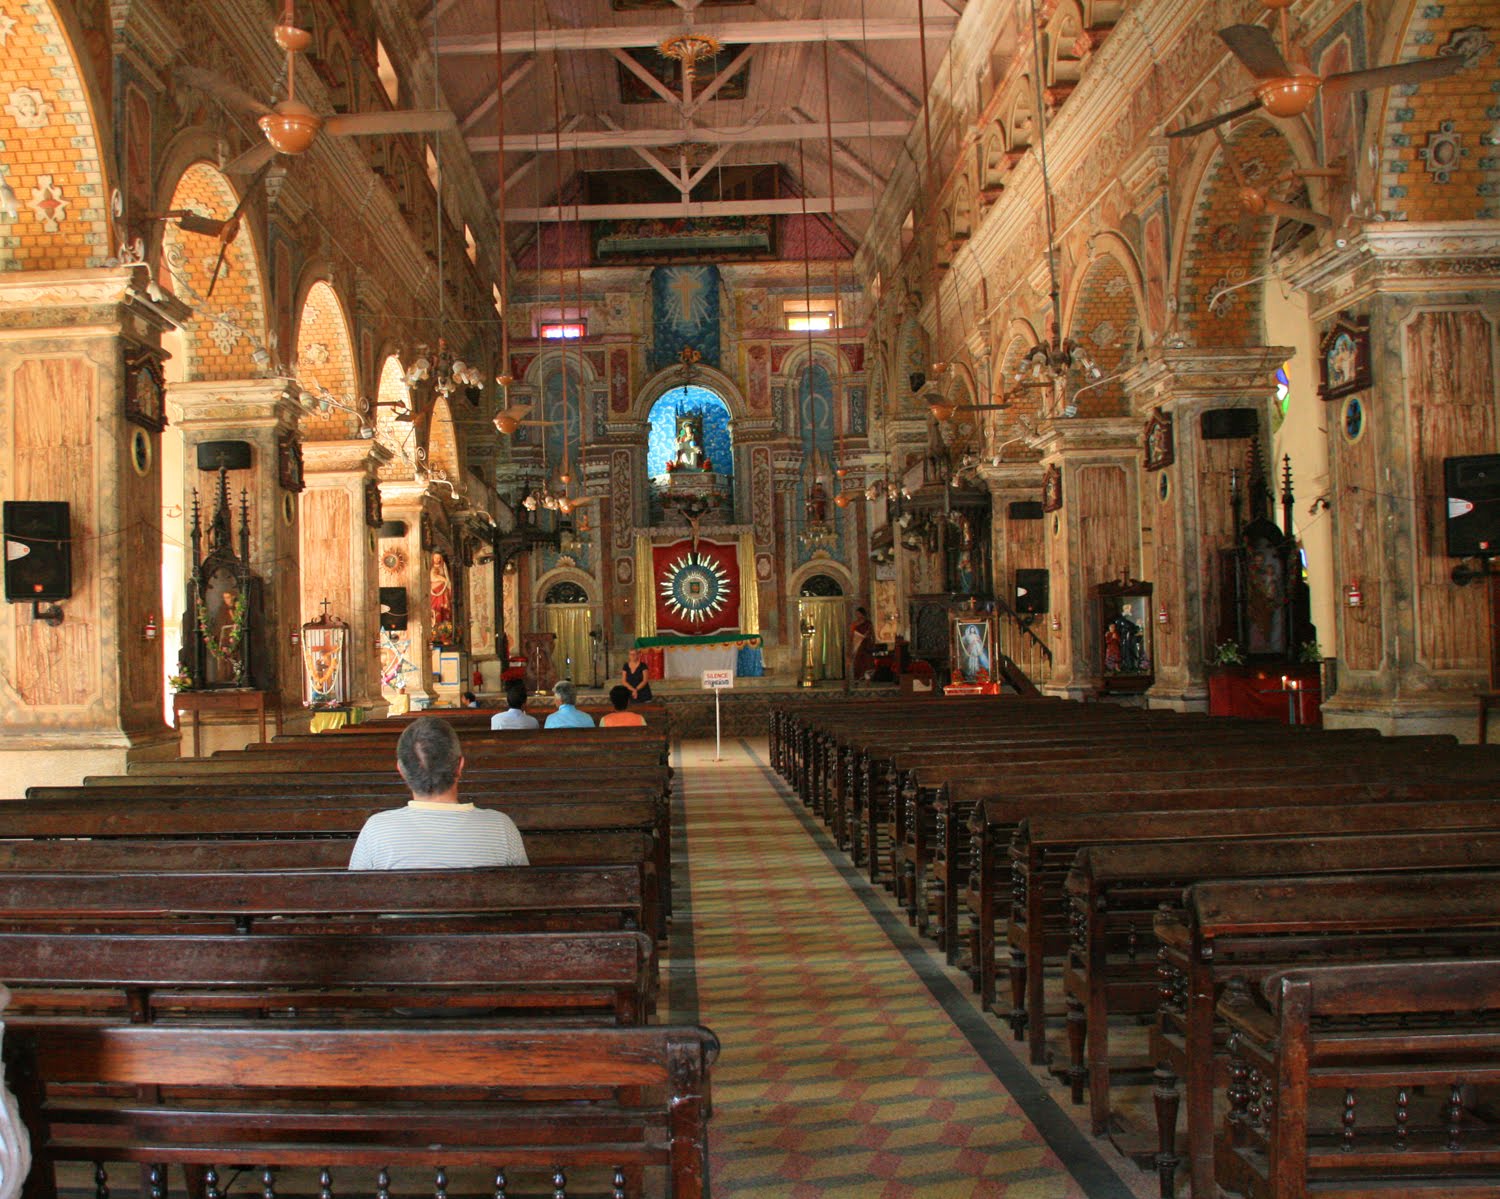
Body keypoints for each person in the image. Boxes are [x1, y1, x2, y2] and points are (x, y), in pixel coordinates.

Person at [348, 716, 527, 870]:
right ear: (460, 765)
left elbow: (353, 896)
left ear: (401, 771)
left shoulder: (376, 830)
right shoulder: (501, 828)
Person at [849, 606, 875, 681]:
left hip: (866, 644)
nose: (857, 615)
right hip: (857, 644)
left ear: (862, 614)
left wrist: (871, 640)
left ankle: (867, 678)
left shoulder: (868, 623)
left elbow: (872, 633)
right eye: (856, 614)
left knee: (867, 661)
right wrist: (851, 643)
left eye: (858, 613)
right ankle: (858, 677)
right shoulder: (855, 623)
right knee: (858, 661)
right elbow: (852, 634)